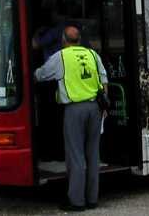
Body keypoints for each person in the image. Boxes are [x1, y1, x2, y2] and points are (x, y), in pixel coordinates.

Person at [35, 26, 108, 211]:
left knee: (75, 156)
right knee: (93, 155)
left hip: (75, 110)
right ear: (80, 39)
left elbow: (42, 74)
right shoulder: (93, 54)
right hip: (95, 108)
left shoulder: (61, 57)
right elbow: (104, 79)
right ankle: (92, 199)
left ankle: (76, 201)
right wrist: (104, 108)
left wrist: (33, 76)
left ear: (63, 40)